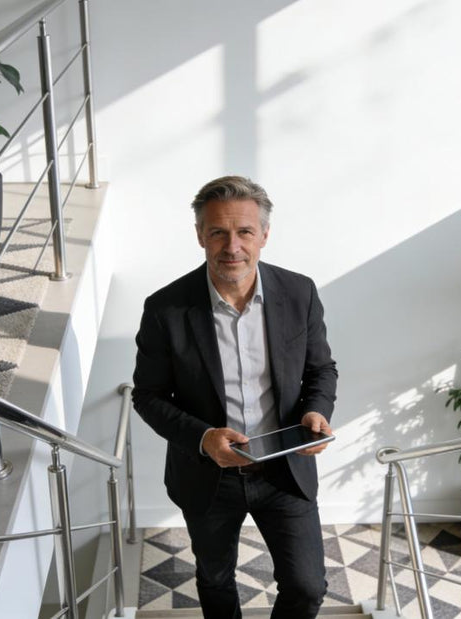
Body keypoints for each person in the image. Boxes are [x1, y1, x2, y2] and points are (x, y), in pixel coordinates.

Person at [132, 176, 338, 619]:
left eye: (245, 231)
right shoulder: (165, 308)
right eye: (217, 232)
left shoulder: (299, 293)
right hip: (208, 475)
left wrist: (316, 411)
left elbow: (320, 370)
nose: (232, 246)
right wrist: (204, 437)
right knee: (215, 579)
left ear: (264, 234)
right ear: (200, 236)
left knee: (306, 587)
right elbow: (147, 395)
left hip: (284, 469)